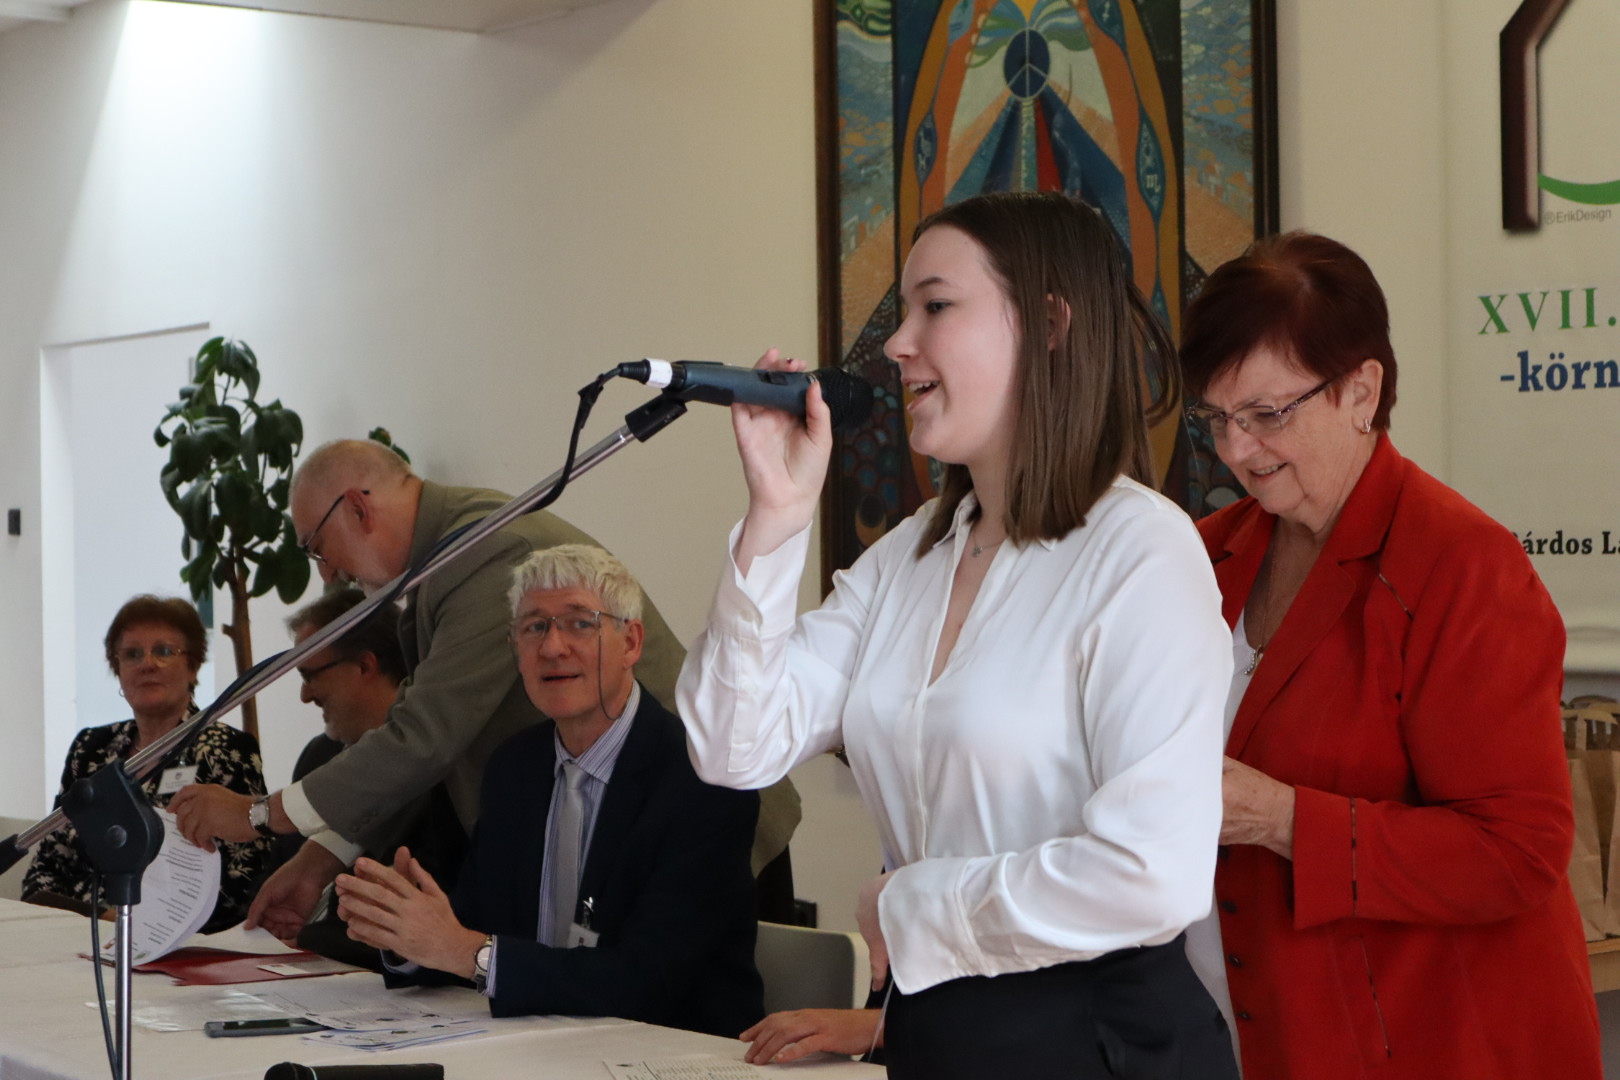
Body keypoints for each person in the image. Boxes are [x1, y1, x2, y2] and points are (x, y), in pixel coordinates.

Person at [680, 191, 1236, 1079]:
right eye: (904, 311)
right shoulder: (912, 556)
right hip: (940, 1038)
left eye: (935, 306)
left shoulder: (1143, 551)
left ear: (1048, 324)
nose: (898, 343)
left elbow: (1152, 875)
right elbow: (731, 744)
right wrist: (776, 519)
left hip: (1098, 1047)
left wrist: (916, 907)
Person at [1179, 231, 1602, 1079]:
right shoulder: (1201, 552)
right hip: (1250, 1039)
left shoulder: (1461, 566)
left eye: (1266, 415)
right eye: (1216, 419)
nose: (1236, 451)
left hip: (1433, 1048)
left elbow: (1517, 853)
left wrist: (1283, 817)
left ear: (1361, 391)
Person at [169, 439, 798, 937]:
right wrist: (320, 858)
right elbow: (425, 742)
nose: (328, 574)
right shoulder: (443, 562)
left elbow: (423, 738)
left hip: (695, 831)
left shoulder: (487, 551)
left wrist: (259, 814)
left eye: (318, 548)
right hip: (599, 837)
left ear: (358, 509)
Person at [334, 545, 764, 1037]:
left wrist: (464, 951)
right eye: (535, 627)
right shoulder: (515, 768)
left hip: (672, 1051)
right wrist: (403, 930)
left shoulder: (705, 778)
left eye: (580, 623)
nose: (553, 647)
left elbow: (649, 980)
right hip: (537, 1044)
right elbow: (474, 929)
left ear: (631, 643)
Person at [23, 595, 274, 932]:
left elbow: (240, 881)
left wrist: (132, 922)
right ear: (117, 669)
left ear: (193, 666)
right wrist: (95, 918)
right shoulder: (90, 747)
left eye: (164, 651)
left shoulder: (226, 750)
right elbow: (46, 867)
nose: (147, 664)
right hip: (76, 935)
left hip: (179, 944)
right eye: (132, 654)